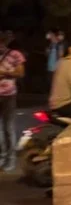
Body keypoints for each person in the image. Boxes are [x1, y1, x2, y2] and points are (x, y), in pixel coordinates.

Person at [0, 31, 26, 172]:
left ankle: (11, 159)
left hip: (8, 94)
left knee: (8, 127)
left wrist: (5, 73)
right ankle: (2, 158)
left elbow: (21, 73)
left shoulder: (15, 54)